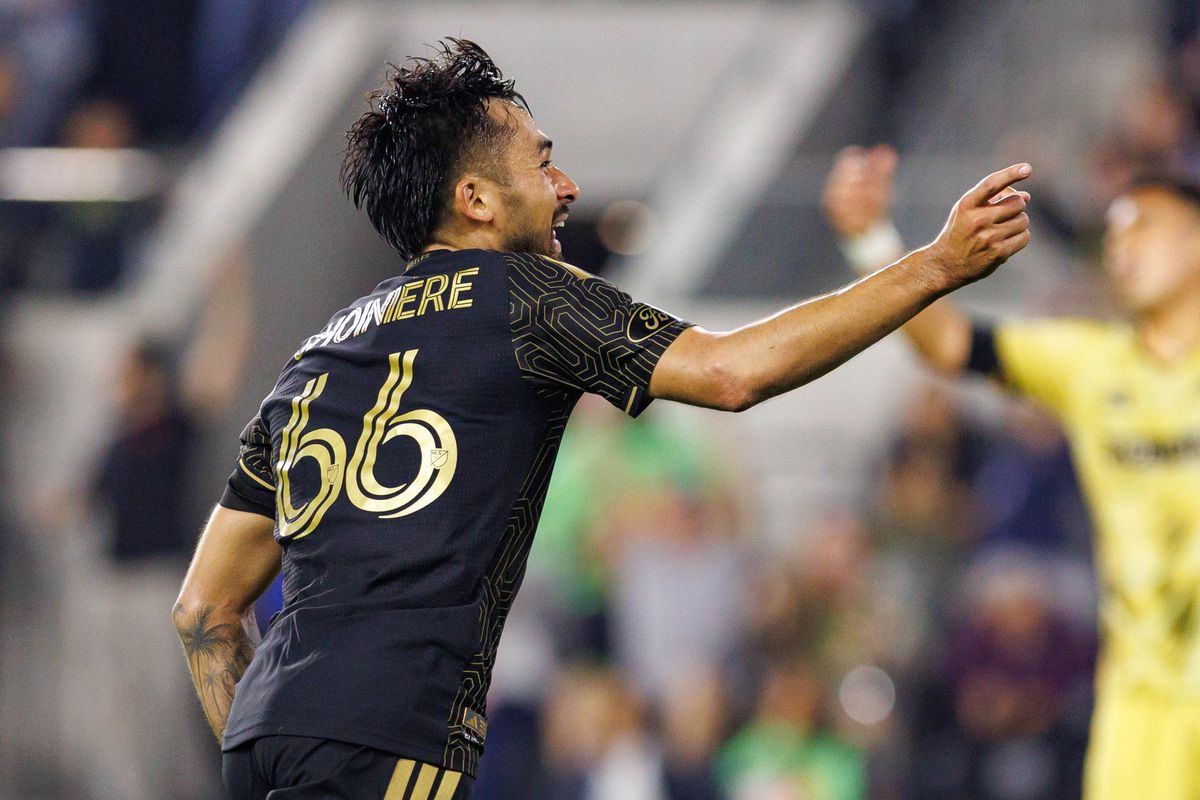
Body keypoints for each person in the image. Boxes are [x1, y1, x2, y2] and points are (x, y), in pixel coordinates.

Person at [173, 39, 1032, 800]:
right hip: (389, 738)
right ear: (475, 198)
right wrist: (934, 266)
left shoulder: (314, 358)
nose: (568, 185)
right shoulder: (525, 296)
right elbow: (734, 373)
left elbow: (203, 609)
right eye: (541, 163)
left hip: (267, 737)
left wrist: (278, 736)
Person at [822, 144, 1200, 800]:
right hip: (1143, 704)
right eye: (1113, 232)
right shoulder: (1090, 364)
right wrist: (870, 240)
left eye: (1145, 225)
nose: (1122, 247)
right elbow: (946, 344)